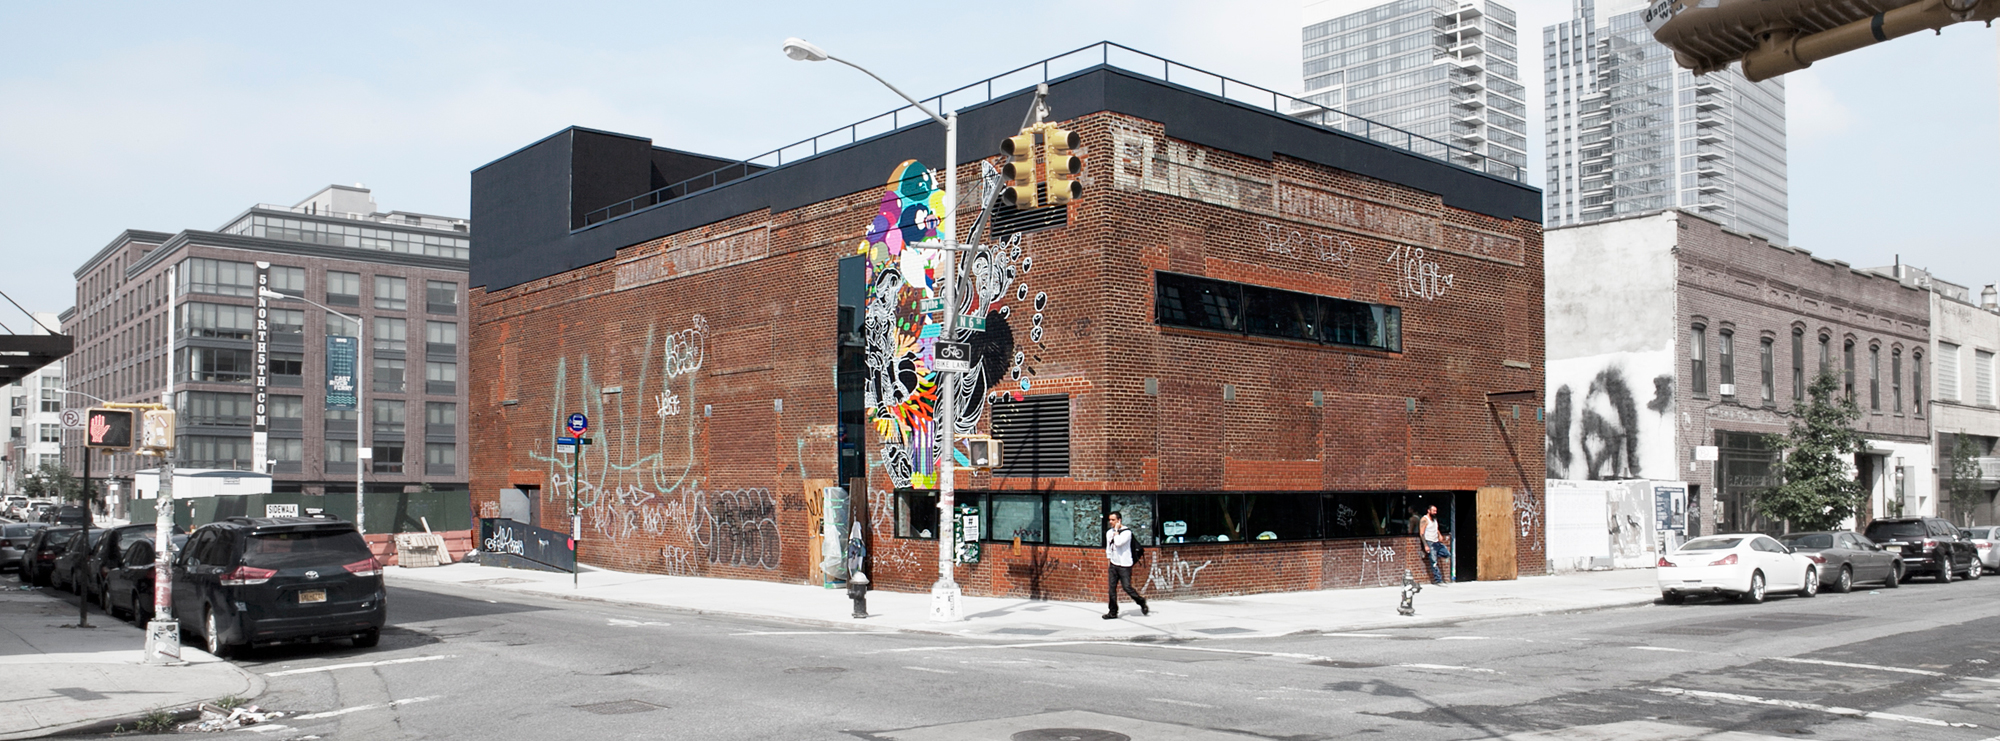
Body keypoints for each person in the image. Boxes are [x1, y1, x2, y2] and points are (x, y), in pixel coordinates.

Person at [1103, 511, 1149, 619]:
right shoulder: (1109, 532)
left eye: (1113, 520)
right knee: (1111, 589)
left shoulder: (1126, 532)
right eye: (1110, 520)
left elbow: (1118, 543)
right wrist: (1109, 560)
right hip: (1114, 564)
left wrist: (1116, 531)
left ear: (1119, 520)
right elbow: (1109, 547)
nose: (1111, 522)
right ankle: (1113, 612)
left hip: (1125, 564)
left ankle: (1141, 601)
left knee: (1127, 587)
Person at [1420, 504, 1451, 585]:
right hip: (1429, 541)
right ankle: (1438, 579)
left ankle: (1434, 554)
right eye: (1433, 511)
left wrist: (1439, 534)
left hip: (1436, 541)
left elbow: (1436, 528)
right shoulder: (1424, 519)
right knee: (1434, 562)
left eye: (1436, 511)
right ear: (1428, 511)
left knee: (1447, 553)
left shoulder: (1434, 519)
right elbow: (1422, 533)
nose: (1435, 512)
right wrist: (1425, 545)